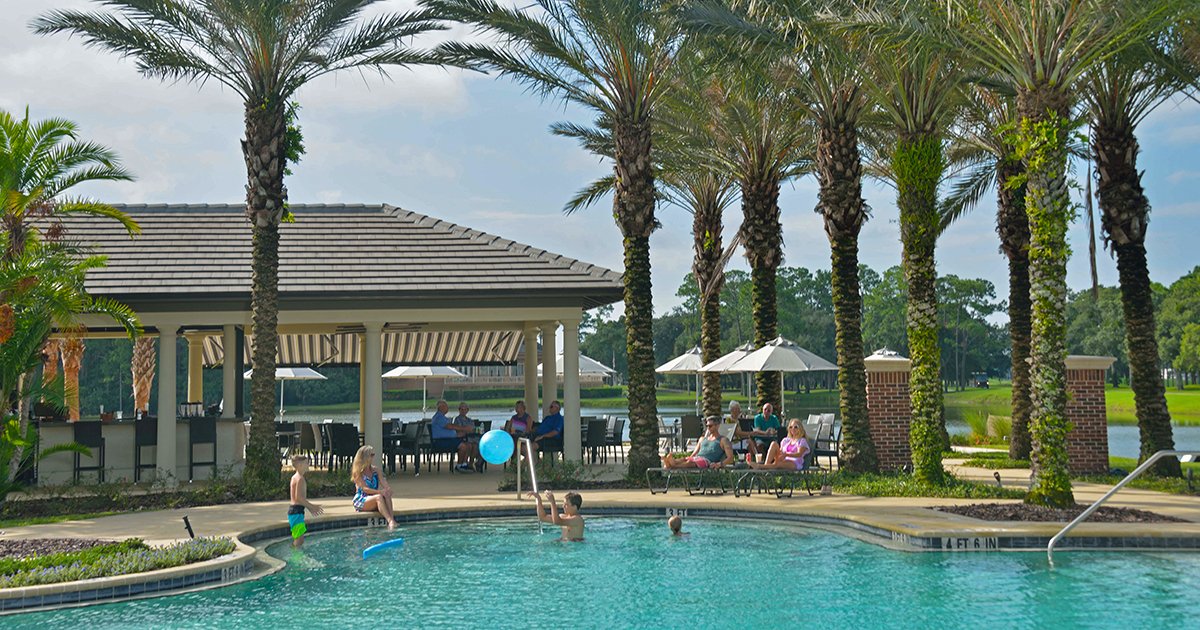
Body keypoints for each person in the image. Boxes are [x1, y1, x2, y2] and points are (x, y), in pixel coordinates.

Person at [660, 416, 735, 469]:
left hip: (707, 461)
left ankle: (671, 466)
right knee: (685, 459)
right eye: (707, 426)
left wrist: (719, 464)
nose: (708, 428)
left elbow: (730, 458)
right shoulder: (702, 439)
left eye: (710, 426)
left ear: (717, 426)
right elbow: (694, 454)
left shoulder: (723, 440)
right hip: (697, 458)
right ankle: (671, 463)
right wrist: (688, 458)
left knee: (690, 463)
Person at [351, 445, 396, 530]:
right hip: (362, 499)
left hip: (373, 497)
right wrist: (380, 492)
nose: (373, 457)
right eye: (371, 455)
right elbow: (365, 489)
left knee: (386, 494)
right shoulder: (358, 473)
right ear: (365, 457)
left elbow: (383, 481)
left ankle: (392, 519)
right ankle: (390, 521)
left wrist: (387, 489)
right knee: (379, 497)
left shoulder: (376, 470)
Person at [288, 455, 325, 548]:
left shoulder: (295, 477)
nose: (308, 464)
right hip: (296, 511)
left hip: (295, 511)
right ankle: (295, 557)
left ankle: (296, 555)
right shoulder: (300, 479)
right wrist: (312, 507)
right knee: (299, 539)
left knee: (299, 538)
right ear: (300, 465)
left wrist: (310, 508)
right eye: (306, 463)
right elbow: (299, 498)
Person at [450, 402, 483, 473]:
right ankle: (464, 463)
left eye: (465, 409)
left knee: (476, 445)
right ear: (459, 410)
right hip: (462, 438)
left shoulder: (470, 420)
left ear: (467, 410)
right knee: (469, 445)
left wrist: (469, 430)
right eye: (461, 409)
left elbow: (473, 429)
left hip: (472, 438)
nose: (463, 411)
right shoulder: (457, 419)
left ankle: (471, 463)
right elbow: (458, 430)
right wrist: (466, 430)